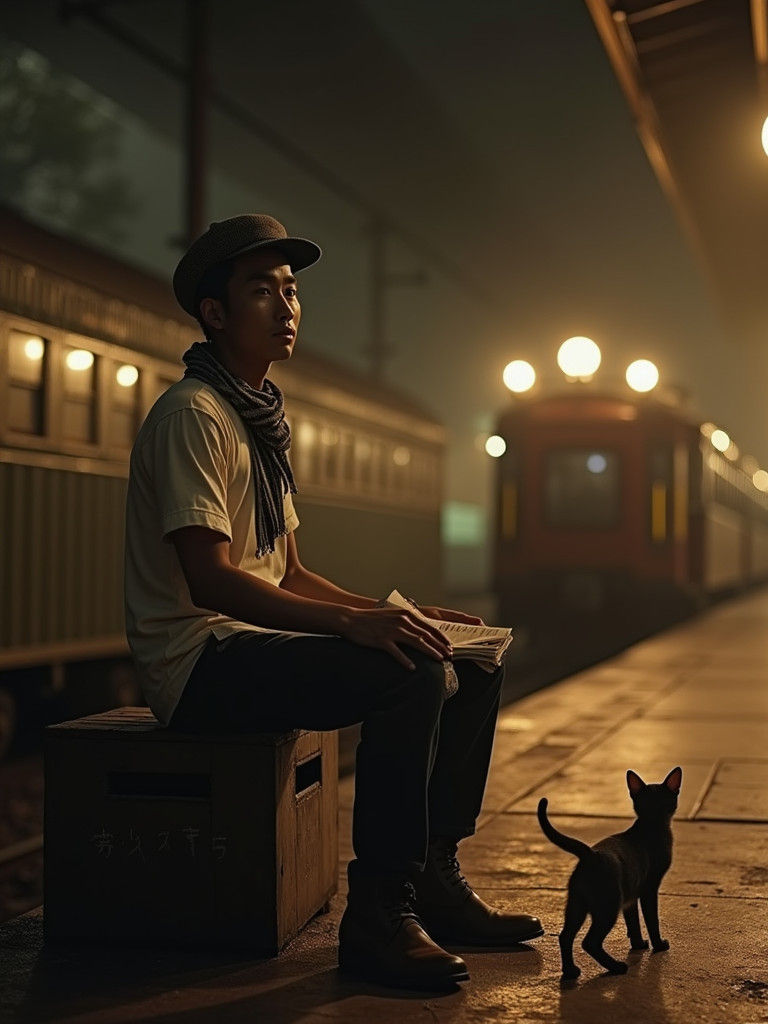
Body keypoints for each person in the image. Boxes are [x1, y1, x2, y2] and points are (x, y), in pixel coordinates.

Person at [124, 214, 542, 990]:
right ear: (214, 313)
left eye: (292, 291)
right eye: (262, 290)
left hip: (248, 644)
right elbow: (212, 581)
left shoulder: (255, 418)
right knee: (409, 676)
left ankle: (436, 879)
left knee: (464, 663)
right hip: (200, 661)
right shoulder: (195, 415)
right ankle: (379, 917)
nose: (287, 307)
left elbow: (288, 571)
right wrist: (355, 623)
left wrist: (402, 612)